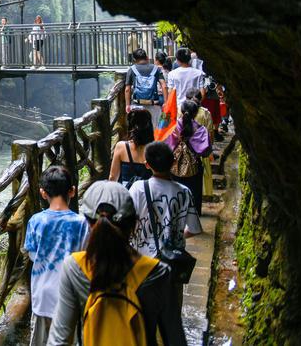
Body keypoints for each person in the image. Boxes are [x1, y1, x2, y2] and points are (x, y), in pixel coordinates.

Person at [48, 181, 185, 346]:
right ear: (134, 223)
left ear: (89, 223)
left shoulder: (74, 267)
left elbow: (59, 340)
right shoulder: (158, 272)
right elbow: (175, 339)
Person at [129, 142, 202, 327]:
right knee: (170, 320)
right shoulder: (184, 192)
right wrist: (174, 235)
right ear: (172, 162)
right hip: (173, 265)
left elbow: (127, 224)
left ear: (147, 164)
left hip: (142, 265)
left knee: (143, 321)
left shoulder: (137, 189)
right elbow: (194, 228)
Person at [24, 167, 88, 346]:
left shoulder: (36, 221)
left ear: (43, 193)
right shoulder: (81, 223)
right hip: (71, 295)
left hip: (42, 294)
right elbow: (85, 257)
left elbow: (31, 254)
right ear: (72, 191)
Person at [165, 99, 210, 212]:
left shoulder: (172, 127)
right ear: (196, 113)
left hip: (174, 165)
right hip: (194, 167)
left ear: (181, 111)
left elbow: (166, 146)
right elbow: (205, 152)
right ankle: (193, 220)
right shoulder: (201, 130)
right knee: (194, 194)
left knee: (174, 193)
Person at [109, 108, 154, 187]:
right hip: (148, 195)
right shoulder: (155, 148)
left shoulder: (121, 146)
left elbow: (113, 177)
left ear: (130, 125)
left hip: (126, 194)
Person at [125, 48, 167, 122]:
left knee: (138, 130)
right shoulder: (156, 68)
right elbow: (164, 85)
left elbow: (127, 89)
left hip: (137, 105)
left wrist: (127, 105)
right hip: (154, 105)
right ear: (147, 57)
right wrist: (166, 102)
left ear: (134, 59)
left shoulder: (132, 69)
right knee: (154, 130)